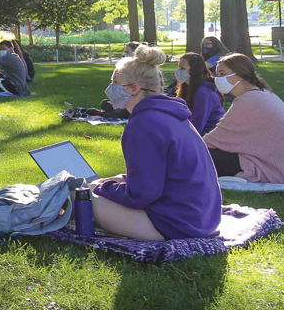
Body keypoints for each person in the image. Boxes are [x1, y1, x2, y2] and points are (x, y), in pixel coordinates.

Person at [89, 45, 222, 240]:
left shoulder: (142, 124)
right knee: (109, 182)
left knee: (82, 196)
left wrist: (103, 188)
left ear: (134, 88)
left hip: (178, 226)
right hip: (203, 219)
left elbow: (141, 195)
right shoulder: (172, 114)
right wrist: (116, 182)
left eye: (115, 82)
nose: (110, 88)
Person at [204, 54, 284, 184]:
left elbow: (213, 140)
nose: (217, 78)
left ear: (240, 75)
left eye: (222, 73)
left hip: (275, 172)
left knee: (200, 154)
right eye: (217, 74)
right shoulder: (263, 94)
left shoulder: (249, 100)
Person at [172, 52, 224, 134]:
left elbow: (197, 124)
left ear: (193, 70)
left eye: (182, 68)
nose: (178, 71)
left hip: (210, 138)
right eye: (178, 68)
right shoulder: (188, 87)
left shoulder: (203, 92)